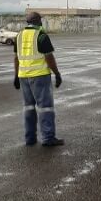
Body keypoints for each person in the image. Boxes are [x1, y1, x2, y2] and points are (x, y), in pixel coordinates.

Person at [14, 10, 64, 147]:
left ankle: (30, 139)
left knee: (29, 108)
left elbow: (16, 58)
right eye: (40, 20)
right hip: (40, 76)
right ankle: (48, 138)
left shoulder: (19, 35)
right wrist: (57, 74)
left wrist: (16, 76)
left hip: (24, 77)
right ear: (37, 21)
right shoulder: (41, 36)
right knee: (45, 108)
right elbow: (49, 57)